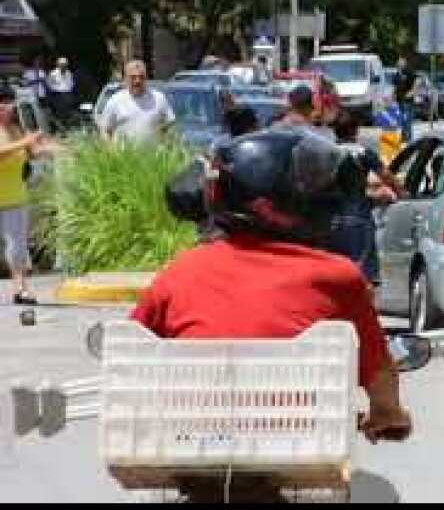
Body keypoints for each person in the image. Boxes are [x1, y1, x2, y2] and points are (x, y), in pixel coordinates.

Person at [134, 129, 412, 448]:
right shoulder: (339, 276)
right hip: (296, 442)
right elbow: (378, 373)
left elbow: (135, 347)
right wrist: (388, 414)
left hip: (188, 441)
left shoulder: (182, 270)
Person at [328, 110, 401, 286]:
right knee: (365, 273)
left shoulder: (327, 152)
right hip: (359, 215)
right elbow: (387, 176)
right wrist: (401, 192)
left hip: (332, 218)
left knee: (334, 270)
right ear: (355, 130)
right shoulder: (364, 153)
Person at [0, 86, 58, 305]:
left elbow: (31, 152)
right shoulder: (18, 136)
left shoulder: (17, 129)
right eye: (1, 102)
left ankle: (20, 288)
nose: (4, 106)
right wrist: (25, 142)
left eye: (8, 102)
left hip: (14, 197)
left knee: (17, 247)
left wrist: (56, 149)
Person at [98, 59, 176, 145]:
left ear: (146, 78)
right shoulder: (115, 100)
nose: (137, 81)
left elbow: (170, 125)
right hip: (124, 153)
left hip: (153, 153)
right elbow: (105, 130)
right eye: (133, 77)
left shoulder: (159, 98)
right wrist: (111, 150)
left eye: (141, 77)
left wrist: (166, 145)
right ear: (125, 79)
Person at [394, 57, 419, 143]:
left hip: (407, 100)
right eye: (398, 63)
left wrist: (412, 92)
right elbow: (396, 86)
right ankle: (404, 137)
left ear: (404, 64)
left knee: (407, 120)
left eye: (400, 63)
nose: (398, 64)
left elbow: (417, 80)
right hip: (400, 100)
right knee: (402, 119)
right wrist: (393, 95)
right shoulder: (397, 74)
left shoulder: (409, 72)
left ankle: (408, 138)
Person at [46, 57, 76, 121]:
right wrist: (57, 89)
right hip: (58, 94)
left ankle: (68, 121)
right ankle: (62, 120)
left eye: (65, 64)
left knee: (68, 108)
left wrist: (70, 89)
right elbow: (49, 84)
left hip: (68, 93)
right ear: (58, 64)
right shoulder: (53, 73)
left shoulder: (69, 73)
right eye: (62, 64)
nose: (63, 66)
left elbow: (72, 83)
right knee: (61, 110)